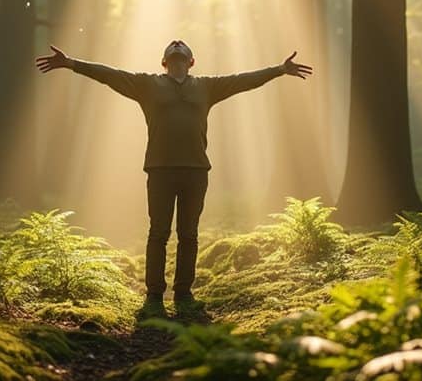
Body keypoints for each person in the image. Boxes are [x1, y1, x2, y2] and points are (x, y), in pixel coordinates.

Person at [34, 40, 312, 306]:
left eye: (182, 52)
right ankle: (154, 293)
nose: (177, 45)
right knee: (158, 233)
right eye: (173, 52)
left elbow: (243, 80)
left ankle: (183, 292)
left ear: (191, 62)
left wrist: (279, 69)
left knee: (189, 234)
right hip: (160, 170)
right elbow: (110, 75)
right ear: (164, 62)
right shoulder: (146, 85)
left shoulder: (207, 87)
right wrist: (71, 63)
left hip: (196, 170)